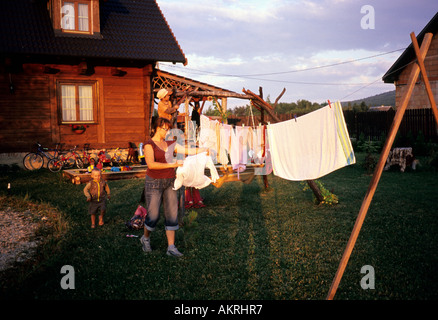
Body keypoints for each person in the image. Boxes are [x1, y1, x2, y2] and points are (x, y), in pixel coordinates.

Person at [140, 117, 207, 257]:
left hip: (170, 182)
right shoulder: (149, 145)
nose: (168, 131)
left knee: (172, 214)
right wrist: (173, 164)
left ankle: (171, 247)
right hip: (154, 183)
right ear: (158, 128)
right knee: (153, 215)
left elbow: (187, 150)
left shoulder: (170, 143)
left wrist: (203, 149)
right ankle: (145, 238)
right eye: (166, 129)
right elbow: (151, 165)